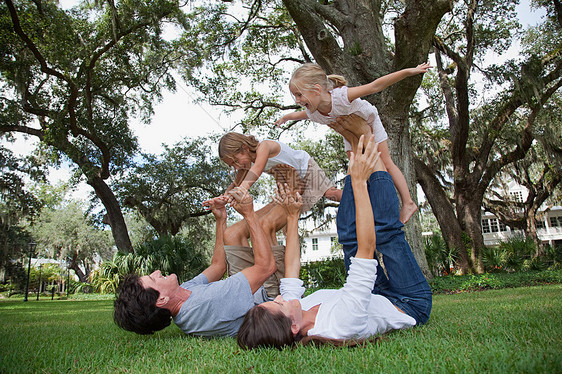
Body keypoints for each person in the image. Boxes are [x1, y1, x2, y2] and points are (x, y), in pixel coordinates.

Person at [237, 135, 432, 349]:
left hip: (371, 296)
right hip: (406, 302)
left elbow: (291, 269)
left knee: (348, 234)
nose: (279, 298)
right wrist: (357, 183)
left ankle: (363, 147)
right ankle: (372, 157)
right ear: (293, 327)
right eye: (278, 305)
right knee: (386, 234)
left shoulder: (295, 311)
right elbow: (366, 249)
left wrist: (292, 217)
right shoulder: (340, 324)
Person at [275, 63, 432, 223]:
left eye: (299, 94)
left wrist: (409, 70)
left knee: (386, 163)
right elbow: (300, 115)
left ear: (316, 89)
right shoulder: (313, 112)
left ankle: (408, 202)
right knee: (356, 168)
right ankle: (367, 204)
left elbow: (375, 86)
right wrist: (286, 117)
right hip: (350, 135)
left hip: (370, 124)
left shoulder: (341, 97)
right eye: (295, 96)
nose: (297, 100)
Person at [113, 187, 278, 337]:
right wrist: (249, 212)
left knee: (232, 235)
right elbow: (266, 267)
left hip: (255, 289)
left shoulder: (182, 297)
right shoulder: (206, 302)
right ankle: (288, 194)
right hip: (271, 296)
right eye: (153, 279)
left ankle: (282, 197)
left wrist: (221, 219)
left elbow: (218, 267)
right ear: (161, 300)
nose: (156, 272)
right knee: (266, 223)